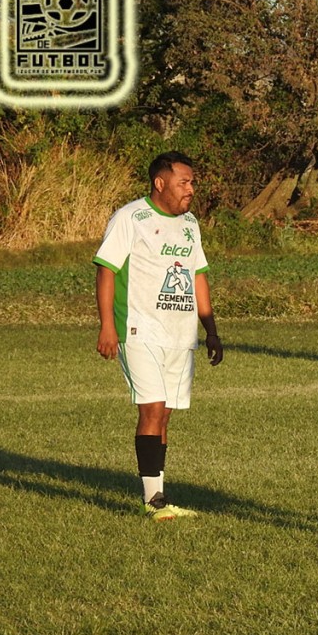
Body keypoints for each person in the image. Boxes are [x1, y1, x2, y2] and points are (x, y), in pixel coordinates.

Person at [94, 151, 224, 520]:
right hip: (139, 329)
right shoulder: (130, 217)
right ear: (160, 183)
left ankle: (159, 495)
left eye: (192, 182)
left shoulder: (190, 224)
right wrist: (107, 326)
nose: (191, 189)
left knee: (164, 414)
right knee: (151, 408)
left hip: (180, 333)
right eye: (184, 182)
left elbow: (198, 276)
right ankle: (153, 502)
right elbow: (106, 270)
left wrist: (211, 330)